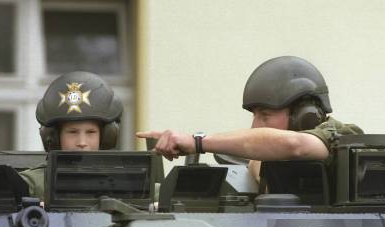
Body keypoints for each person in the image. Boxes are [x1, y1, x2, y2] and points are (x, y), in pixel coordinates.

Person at [136, 56, 363, 182]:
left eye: (265, 116)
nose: (255, 126)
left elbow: (295, 145)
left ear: (304, 117)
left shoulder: (343, 135)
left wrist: (197, 142)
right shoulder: (270, 158)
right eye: (254, 116)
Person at [20, 71, 123, 200]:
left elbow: (156, 194)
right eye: (72, 132)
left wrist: (156, 148)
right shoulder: (33, 184)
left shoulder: (124, 181)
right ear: (54, 137)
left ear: (106, 136)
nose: (82, 142)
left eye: (90, 132)